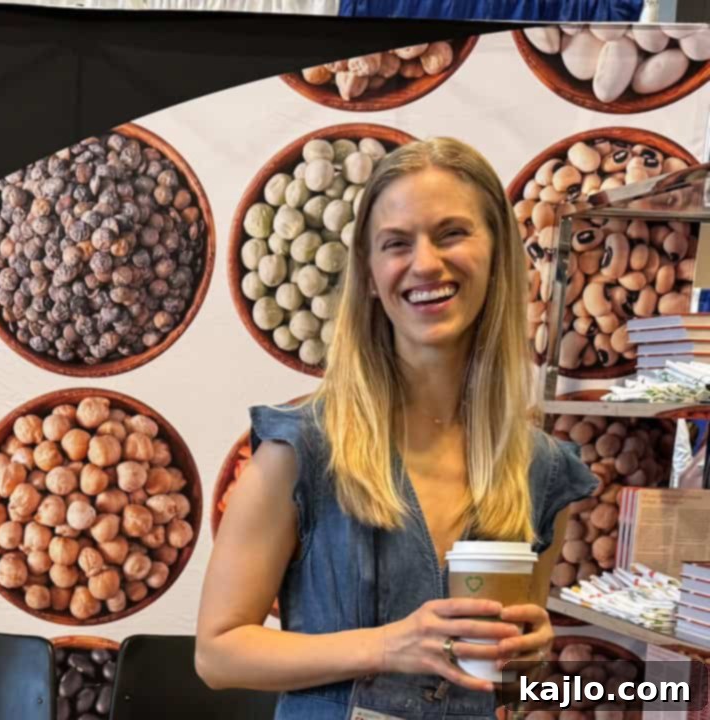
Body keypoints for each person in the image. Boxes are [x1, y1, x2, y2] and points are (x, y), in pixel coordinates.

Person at [195, 137, 599, 719]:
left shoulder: (543, 472)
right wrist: (388, 645)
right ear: (370, 271)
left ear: (497, 253)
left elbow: (507, 680)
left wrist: (529, 657)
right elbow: (218, 653)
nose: (426, 263)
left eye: (452, 233)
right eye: (396, 243)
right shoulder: (302, 449)